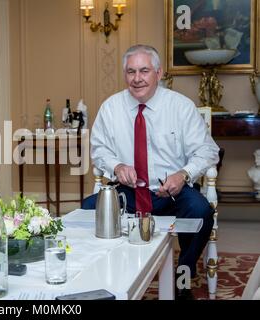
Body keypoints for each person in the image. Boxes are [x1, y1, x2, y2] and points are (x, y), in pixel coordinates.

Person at [89, 44, 220, 299]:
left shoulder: (180, 107)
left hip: (171, 193)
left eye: (144, 71)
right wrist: (116, 166)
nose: (137, 78)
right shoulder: (110, 108)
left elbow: (208, 151)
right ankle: (109, 277)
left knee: (202, 212)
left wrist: (183, 174)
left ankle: (184, 271)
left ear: (158, 74)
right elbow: (98, 149)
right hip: (128, 193)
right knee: (87, 211)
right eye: (131, 71)